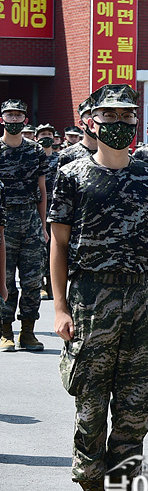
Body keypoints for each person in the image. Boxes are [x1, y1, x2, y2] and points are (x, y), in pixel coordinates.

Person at [48, 83, 148, 491]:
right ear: (92, 121)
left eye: (126, 116)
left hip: (137, 299)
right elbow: (58, 245)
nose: (118, 124)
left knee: (135, 408)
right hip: (91, 299)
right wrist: (59, 308)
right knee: (91, 405)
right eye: (109, 116)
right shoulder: (72, 174)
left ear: (135, 123)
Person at [0, 98, 48, 351]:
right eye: (9, 116)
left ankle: (28, 332)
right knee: (5, 280)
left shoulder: (35, 150)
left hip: (30, 220)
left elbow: (42, 189)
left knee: (32, 280)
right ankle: (5, 331)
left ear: (25, 120)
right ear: (2, 120)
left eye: (18, 116)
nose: (14, 120)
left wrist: (43, 225)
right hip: (4, 221)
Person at [34, 124, 61, 301]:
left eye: (50, 134)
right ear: (37, 137)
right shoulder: (33, 157)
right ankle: (43, 285)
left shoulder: (61, 158)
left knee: (56, 248)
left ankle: (53, 284)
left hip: (58, 208)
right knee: (41, 249)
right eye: (43, 134)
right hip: (40, 208)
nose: (47, 137)